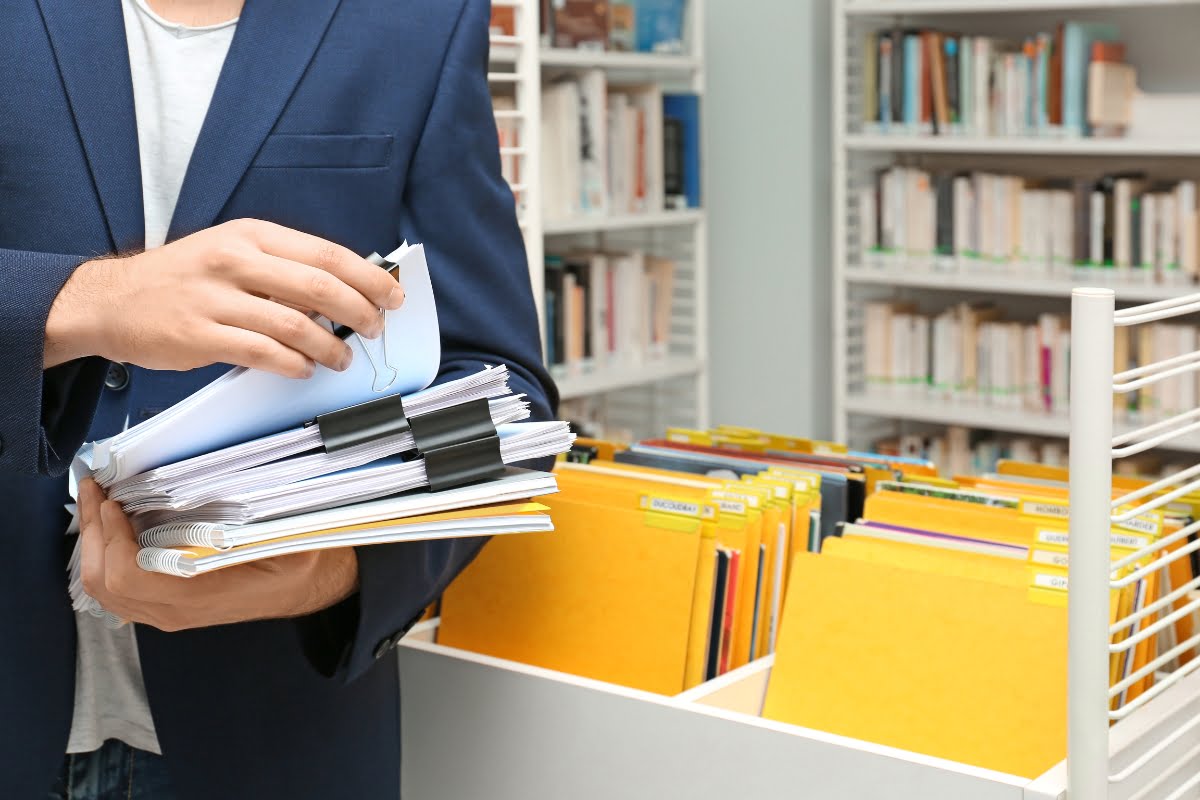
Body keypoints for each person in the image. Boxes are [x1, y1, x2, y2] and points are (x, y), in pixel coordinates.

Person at [2, 0, 555, 798]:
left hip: (277, 730)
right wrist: (88, 302)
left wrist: (337, 573)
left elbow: (499, 400)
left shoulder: (419, 22)